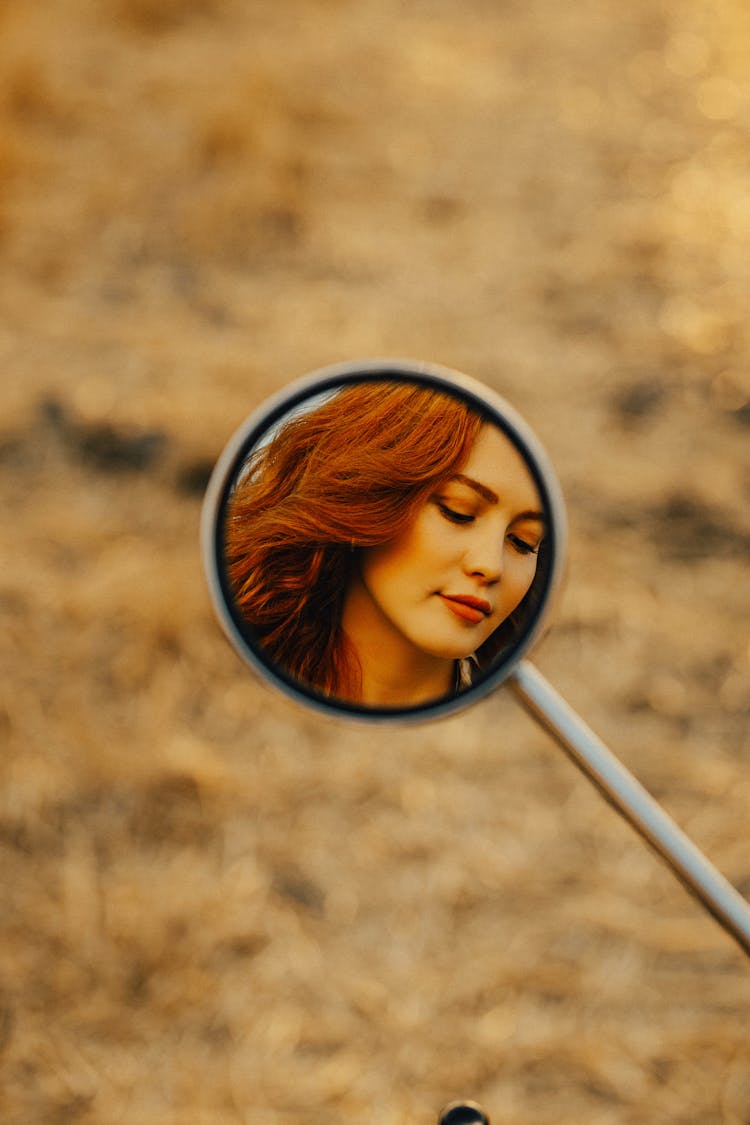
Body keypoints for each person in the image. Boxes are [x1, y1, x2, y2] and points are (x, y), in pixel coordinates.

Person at [224, 379, 548, 708]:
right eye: (458, 512)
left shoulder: (521, 714)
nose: (491, 566)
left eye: (524, 543)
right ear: (364, 496)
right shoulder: (231, 678)